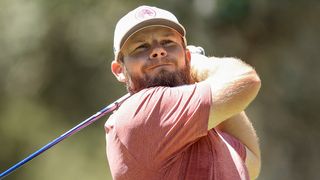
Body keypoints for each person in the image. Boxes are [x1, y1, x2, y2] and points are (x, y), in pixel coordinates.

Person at [105, 5, 261, 180]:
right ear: (119, 69)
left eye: (168, 42)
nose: (158, 51)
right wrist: (200, 64)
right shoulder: (142, 111)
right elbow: (246, 79)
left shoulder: (200, 126)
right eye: (141, 47)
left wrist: (201, 79)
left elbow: (251, 162)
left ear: (186, 56)